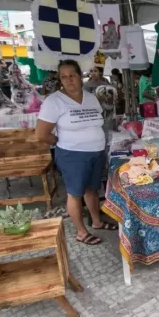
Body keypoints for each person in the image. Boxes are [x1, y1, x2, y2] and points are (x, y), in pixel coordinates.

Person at [36, 60, 116, 246]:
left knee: (92, 189)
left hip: (95, 152)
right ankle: (81, 232)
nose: (68, 79)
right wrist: (61, 142)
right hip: (72, 154)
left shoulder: (90, 97)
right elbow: (41, 134)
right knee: (75, 193)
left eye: (72, 75)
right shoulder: (54, 101)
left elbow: (98, 119)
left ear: (80, 76)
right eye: (63, 76)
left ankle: (96, 221)